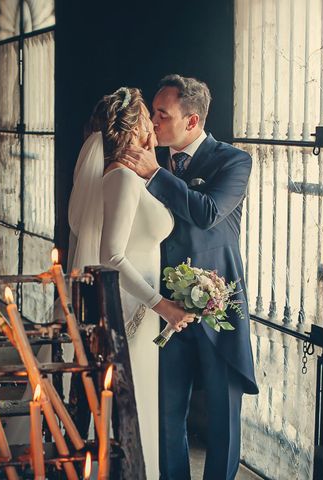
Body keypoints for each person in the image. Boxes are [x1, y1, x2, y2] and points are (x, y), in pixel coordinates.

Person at [121, 74, 259, 480]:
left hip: (219, 302)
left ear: (192, 121)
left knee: (223, 414)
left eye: (162, 115)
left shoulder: (233, 161)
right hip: (164, 304)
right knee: (166, 408)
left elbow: (207, 213)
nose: (154, 123)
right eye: (154, 114)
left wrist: (154, 175)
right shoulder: (151, 156)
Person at [68, 86, 196, 479]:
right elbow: (111, 256)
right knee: (130, 403)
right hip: (132, 311)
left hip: (140, 308)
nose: (155, 124)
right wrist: (164, 305)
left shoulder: (131, 176)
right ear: (135, 126)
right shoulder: (122, 179)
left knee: (137, 403)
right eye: (148, 116)